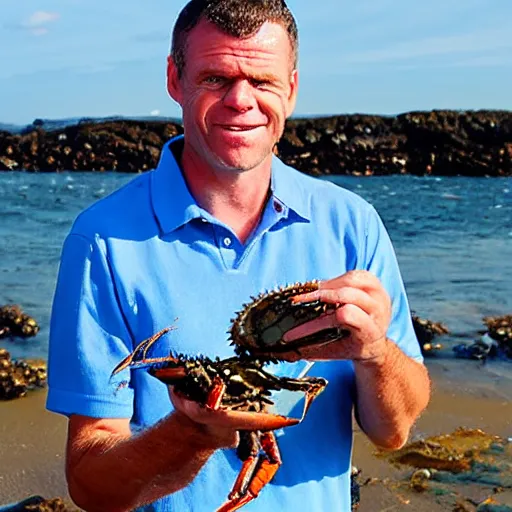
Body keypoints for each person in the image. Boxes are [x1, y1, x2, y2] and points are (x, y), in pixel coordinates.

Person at [46, 1, 431, 511]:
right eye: (215, 78)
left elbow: (394, 433)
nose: (240, 100)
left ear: (291, 88)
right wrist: (194, 432)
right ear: (174, 79)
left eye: (262, 81)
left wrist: (376, 353)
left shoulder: (351, 224)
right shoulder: (104, 241)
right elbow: (93, 488)